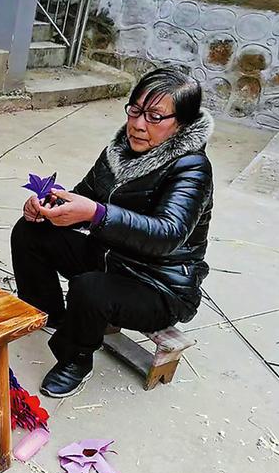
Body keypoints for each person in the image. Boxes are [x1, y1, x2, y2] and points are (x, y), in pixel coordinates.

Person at [11, 67, 214, 398]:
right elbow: (85, 196)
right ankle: (46, 313)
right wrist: (50, 207)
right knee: (30, 232)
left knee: (90, 289)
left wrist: (97, 214)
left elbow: (167, 234)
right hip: (110, 258)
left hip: (158, 285)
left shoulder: (191, 168)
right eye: (134, 110)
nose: (138, 124)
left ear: (182, 123)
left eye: (154, 116)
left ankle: (75, 359)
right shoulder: (118, 151)